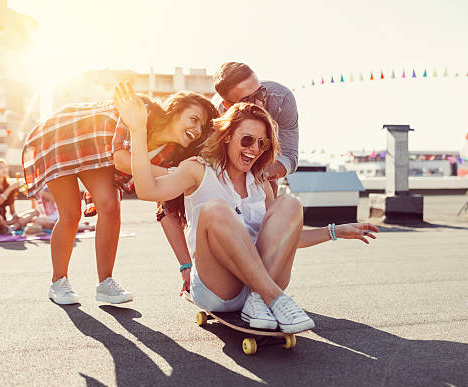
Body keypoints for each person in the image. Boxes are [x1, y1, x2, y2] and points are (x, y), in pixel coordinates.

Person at [115, 81, 378, 333]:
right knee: (215, 208)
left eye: (262, 144)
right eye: (247, 140)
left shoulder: (260, 184)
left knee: (290, 204)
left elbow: (281, 240)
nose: (254, 149)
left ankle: (260, 299)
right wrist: (138, 130)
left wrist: (335, 231)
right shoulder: (198, 169)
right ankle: (275, 298)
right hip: (219, 288)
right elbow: (148, 191)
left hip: (254, 293)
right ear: (228, 137)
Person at [22, 92, 217, 305]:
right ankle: (59, 281)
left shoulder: (170, 154)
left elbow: (165, 206)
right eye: (193, 119)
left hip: (96, 152)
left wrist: (186, 266)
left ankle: (105, 283)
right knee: (71, 213)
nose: (197, 130)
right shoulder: (143, 110)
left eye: (201, 127)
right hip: (61, 135)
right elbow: (123, 160)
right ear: (176, 111)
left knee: (109, 204)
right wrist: (181, 175)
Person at [160, 62, 300, 292]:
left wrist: (258, 171)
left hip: (263, 168)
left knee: (268, 202)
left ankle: (262, 282)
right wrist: (186, 264)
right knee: (191, 197)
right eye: (249, 99)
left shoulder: (281, 98)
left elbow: (291, 157)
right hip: (218, 169)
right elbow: (167, 200)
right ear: (227, 105)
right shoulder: (216, 118)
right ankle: (197, 270)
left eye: (260, 91)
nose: (259, 102)